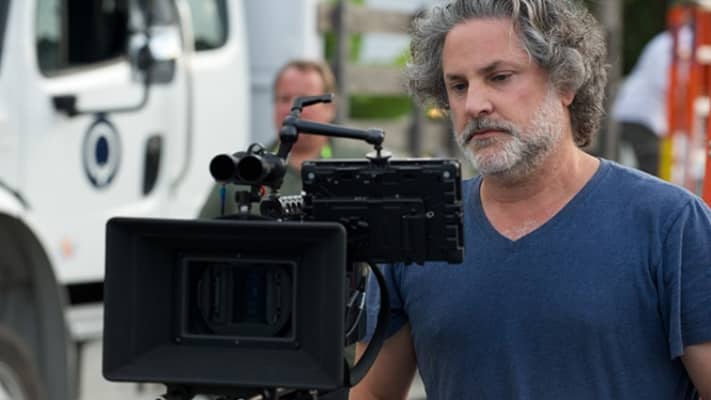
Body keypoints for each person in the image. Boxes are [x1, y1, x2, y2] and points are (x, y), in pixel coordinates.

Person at [351, 1, 711, 399]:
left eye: (499, 77)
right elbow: (372, 394)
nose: (474, 104)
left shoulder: (671, 224)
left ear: (566, 83)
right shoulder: (417, 229)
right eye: (459, 86)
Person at [198, 59, 363, 218]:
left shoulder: (360, 164)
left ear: (330, 109)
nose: (292, 109)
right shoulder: (243, 170)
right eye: (284, 99)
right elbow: (199, 233)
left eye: (304, 100)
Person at [611, 24, 691, 175]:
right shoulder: (672, 45)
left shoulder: (670, 42)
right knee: (652, 170)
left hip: (643, 114)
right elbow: (666, 84)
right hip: (641, 115)